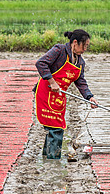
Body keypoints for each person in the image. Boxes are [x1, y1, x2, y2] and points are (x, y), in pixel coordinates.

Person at [34, 29, 96, 159]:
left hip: (59, 96)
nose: (85, 49)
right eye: (84, 45)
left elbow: (81, 82)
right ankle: (53, 161)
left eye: (87, 46)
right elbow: (41, 63)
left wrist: (89, 97)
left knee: (54, 128)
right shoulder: (59, 51)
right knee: (56, 128)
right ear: (75, 42)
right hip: (46, 92)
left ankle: (47, 158)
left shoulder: (80, 62)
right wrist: (52, 82)